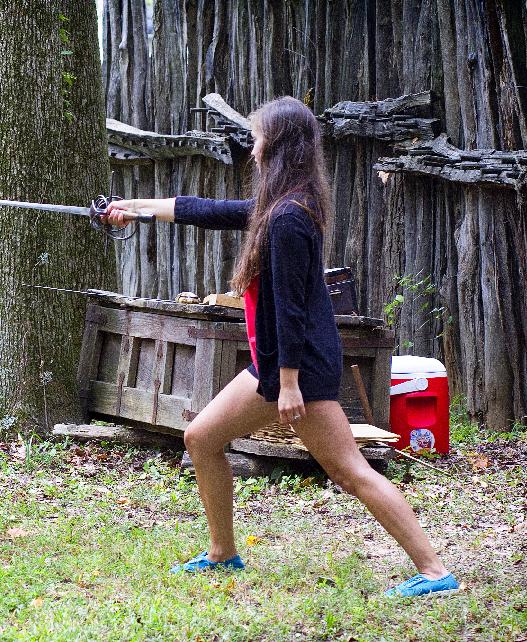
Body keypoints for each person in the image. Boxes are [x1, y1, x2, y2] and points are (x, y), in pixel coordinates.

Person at [105, 96, 458, 597]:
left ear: (279, 146)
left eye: (257, 138)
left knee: (349, 471)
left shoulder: (289, 218)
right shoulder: (278, 208)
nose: (252, 149)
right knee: (202, 439)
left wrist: (290, 384)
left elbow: (291, 310)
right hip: (275, 366)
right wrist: (133, 209)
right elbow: (205, 211)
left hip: (300, 369)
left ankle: (433, 571)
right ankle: (223, 553)